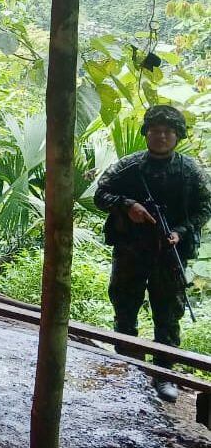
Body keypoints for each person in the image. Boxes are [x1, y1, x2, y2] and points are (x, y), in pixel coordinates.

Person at [94, 105, 211, 402]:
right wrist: (126, 205)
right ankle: (129, 366)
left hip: (169, 253)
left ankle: (164, 374)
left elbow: (204, 208)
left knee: (168, 314)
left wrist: (180, 232)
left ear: (177, 136)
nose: (161, 136)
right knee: (125, 307)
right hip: (131, 250)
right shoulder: (129, 166)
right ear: (146, 133)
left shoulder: (190, 171)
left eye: (168, 132)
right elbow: (101, 194)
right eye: (155, 130)